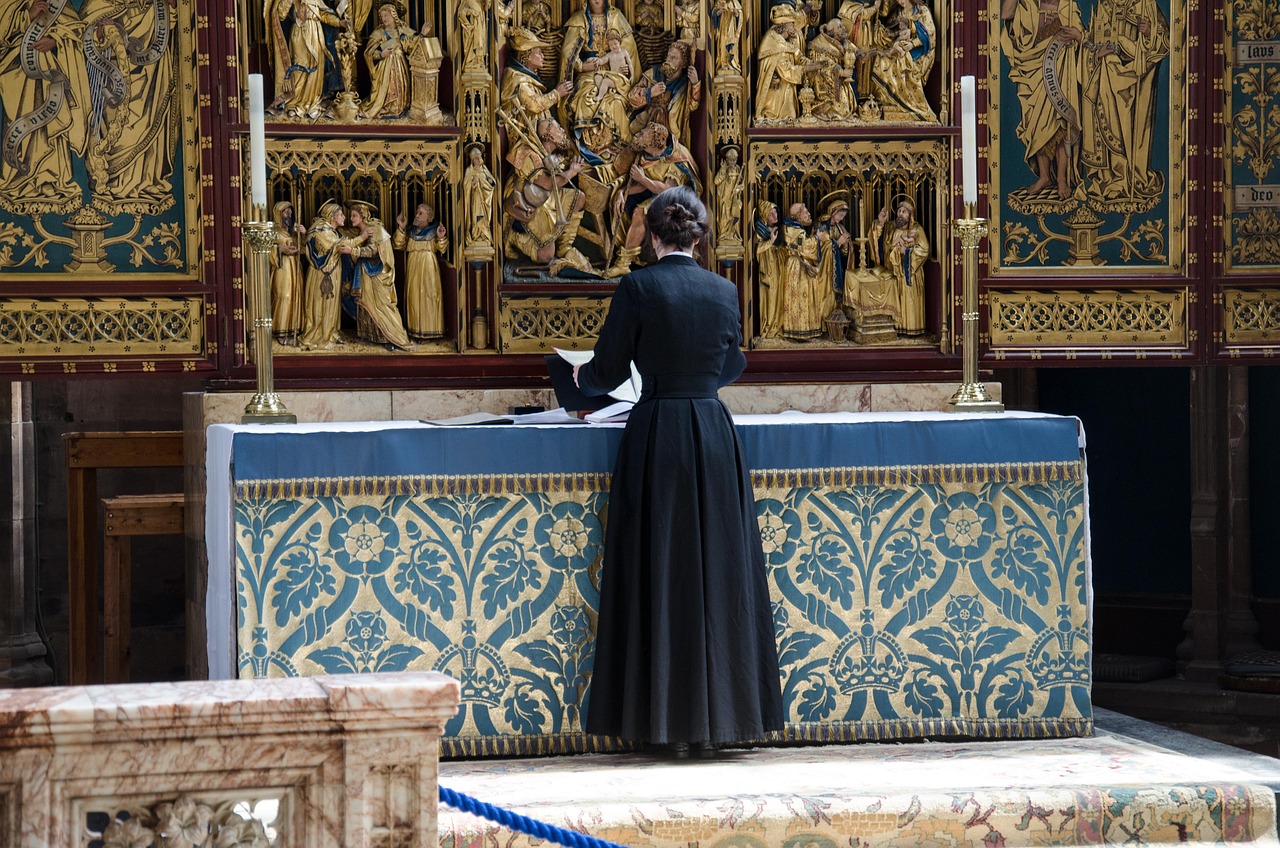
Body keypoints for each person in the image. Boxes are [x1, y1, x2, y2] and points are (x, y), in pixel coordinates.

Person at [576, 186, 783, 757]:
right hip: (713, 434)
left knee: (660, 568)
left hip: (658, 435)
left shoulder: (638, 287)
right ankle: (722, 723)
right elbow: (732, 362)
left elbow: (606, 370)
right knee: (718, 571)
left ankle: (663, 723)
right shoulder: (724, 290)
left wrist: (576, 381)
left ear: (651, 235)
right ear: (699, 236)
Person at [344, 200, 412, 349]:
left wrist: (353, 251)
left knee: (383, 306)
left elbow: (374, 250)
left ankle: (396, 337)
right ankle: (375, 336)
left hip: (378, 274)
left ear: (363, 216)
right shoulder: (361, 232)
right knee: (368, 306)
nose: (351, 218)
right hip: (366, 273)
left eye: (354, 215)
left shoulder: (376, 229)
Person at [300, 199, 365, 349]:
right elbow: (340, 245)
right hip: (321, 274)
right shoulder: (322, 232)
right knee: (320, 304)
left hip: (332, 272)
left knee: (332, 305)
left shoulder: (331, 231)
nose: (344, 217)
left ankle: (331, 332)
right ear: (332, 216)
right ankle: (318, 336)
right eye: (341, 214)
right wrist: (362, 238)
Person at [393, 203, 449, 340]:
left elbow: (442, 248)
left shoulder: (434, 230)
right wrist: (401, 228)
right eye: (417, 212)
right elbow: (398, 245)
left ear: (428, 217)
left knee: (429, 297)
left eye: (421, 213)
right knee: (413, 297)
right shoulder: (411, 231)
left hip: (428, 266)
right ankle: (414, 330)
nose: (417, 215)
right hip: (413, 266)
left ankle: (430, 330)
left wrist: (441, 237)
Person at [270, 201, 307, 344]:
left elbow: (303, 249)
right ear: (278, 214)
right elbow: (266, 250)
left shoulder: (292, 232)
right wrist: (280, 249)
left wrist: (303, 234)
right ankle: (280, 330)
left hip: (294, 267)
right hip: (281, 268)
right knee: (283, 296)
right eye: (285, 211)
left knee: (294, 296)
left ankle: (292, 331)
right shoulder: (273, 232)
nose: (289, 214)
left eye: (290, 211)